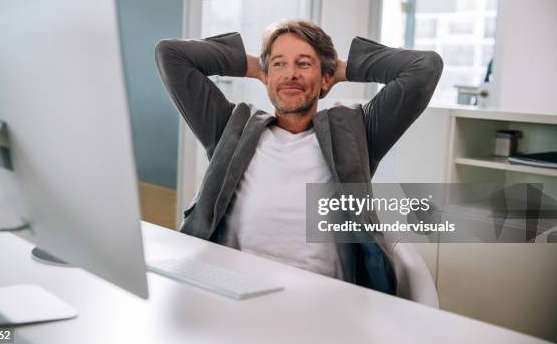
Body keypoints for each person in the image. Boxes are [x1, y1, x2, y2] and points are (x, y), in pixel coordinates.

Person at [155, 20, 443, 294]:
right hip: (233, 289)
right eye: (279, 64)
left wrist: (339, 69)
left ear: (325, 78)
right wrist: (256, 67)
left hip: (319, 299)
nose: (290, 74)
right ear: (266, 77)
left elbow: (424, 67)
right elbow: (171, 54)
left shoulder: (358, 134)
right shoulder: (231, 127)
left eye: (304, 64)